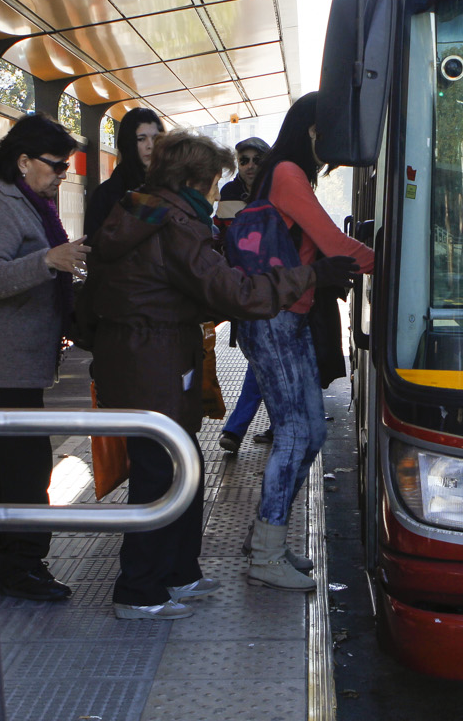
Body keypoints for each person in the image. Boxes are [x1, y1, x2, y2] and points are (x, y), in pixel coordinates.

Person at [83, 130, 356, 620]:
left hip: (148, 354)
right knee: (159, 472)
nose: (216, 192)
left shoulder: (142, 210)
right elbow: (229, 291)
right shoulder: (175, 223)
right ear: (194, 179)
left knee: (180, 463)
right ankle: (139, 590)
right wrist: (310, 275)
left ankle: (177, 572)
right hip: (155, 357)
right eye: (213, 182)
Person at [235, 92, 374, 591]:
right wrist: (397, 259)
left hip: (286, 317)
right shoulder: (289, 173)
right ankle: (265, 554)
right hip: (272, 320)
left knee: (311, 432)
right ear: (315, 130)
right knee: (296, 433)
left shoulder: (290, 173)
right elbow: (335, 245)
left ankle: (264, 539)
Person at [0, 113, 88, 601]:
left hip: (19, 358)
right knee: (26, 465)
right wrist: (49, 261)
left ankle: (4, 559)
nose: (61, 176)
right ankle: (22, 565)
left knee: (13, 463)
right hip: (4, 359)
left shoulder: (23, 200)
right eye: (56, 166)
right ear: (23, 160)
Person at [217, 136, 274, 456]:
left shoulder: (278, 186)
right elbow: (228, 236)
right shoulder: (230, 193)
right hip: (246, 287)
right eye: (244, 160)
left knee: (262, 358)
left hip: (270, 287)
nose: (250, 166)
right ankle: (269, 424)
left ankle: (236, 429)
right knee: (263, 358)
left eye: (256, 159)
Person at [85, 107, 162, 235]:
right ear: (128, 143)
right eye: (141, 139)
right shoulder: (106, 195)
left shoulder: (170, 186)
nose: (150, 146)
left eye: (155, 138)